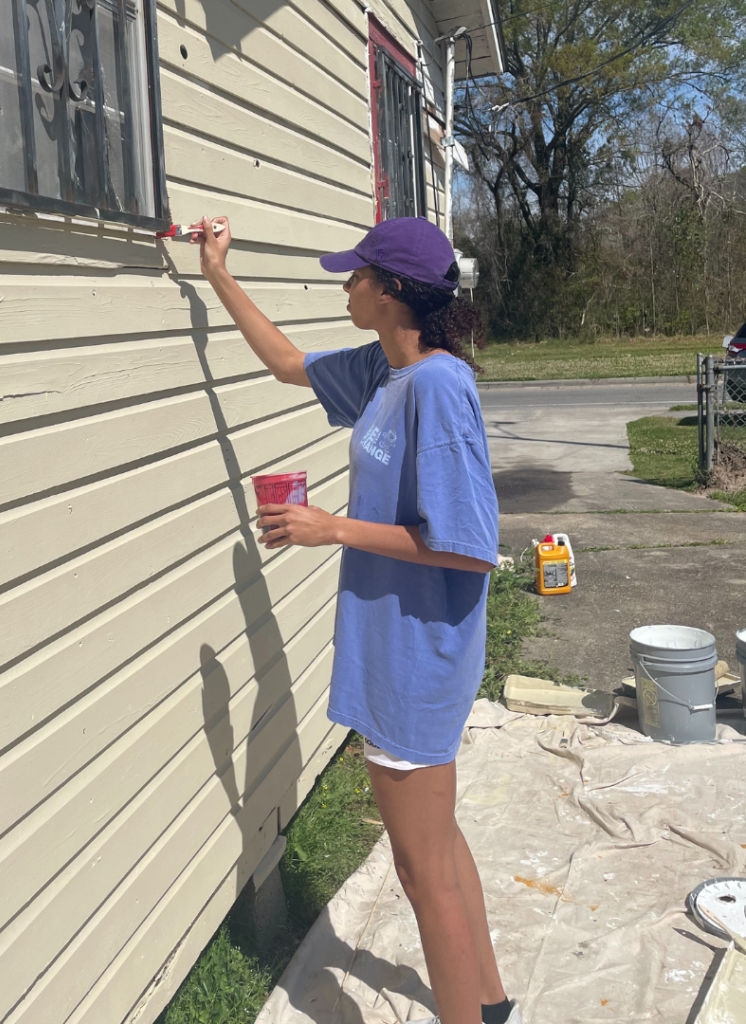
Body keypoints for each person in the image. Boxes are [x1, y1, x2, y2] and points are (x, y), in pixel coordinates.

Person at [192, 215, 520, 1024]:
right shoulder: (385, 368)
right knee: (437, 845)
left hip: (418, 654)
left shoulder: (440, 387)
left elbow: (471, 548)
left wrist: (330, 528)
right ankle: (489, 1000)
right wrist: (217, 273)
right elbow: (284, 363)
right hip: (392, 646)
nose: (346, 286)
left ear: (392, 291)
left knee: (420, 871)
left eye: (356, 276)